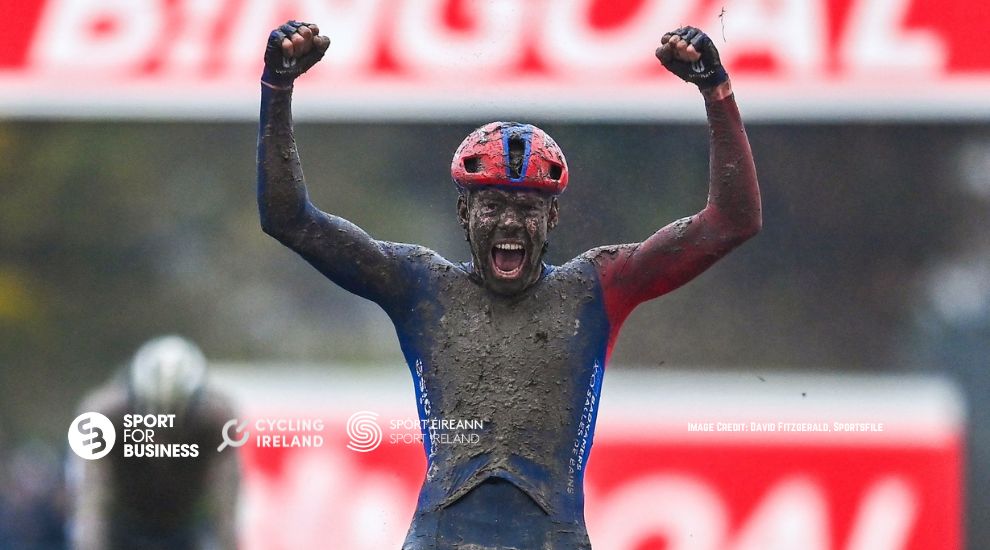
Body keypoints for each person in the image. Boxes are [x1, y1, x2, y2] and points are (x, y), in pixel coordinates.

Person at [257, 21, 760, 549]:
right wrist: (277, 89)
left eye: (527, 209)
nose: (510, 224)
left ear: (554, 219)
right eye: (492, 206)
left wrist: (715, 89)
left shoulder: (595, 288)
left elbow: (732, 222)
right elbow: (290, 220)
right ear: (462, 212)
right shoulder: (419, 286)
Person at [69, 336, 239, 550]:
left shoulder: (216, 419)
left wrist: (228, 541)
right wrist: (90, 542)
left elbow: (225, 493)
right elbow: (92, 491)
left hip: (185, 526)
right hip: (123, 525)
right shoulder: (105, 416)